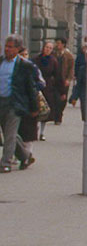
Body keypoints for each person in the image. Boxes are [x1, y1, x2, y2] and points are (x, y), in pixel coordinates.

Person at [1, 35, 40, 172]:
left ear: (17, 49)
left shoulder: (25, 65)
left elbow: (31, 87)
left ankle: (6, 162)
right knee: (7, 134)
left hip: (14, 103)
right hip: (1, 102)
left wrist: (34, 107)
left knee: (10, 134)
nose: (7, 49)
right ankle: (25, 156)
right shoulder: (0, 62)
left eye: (10, 47)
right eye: (6, 46)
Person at [33, 41, 64, 140]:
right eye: (47, 47)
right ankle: (35, 130)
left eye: (50, 48)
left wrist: (61, 91)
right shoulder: (36, 59)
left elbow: (58, 76)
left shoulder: (53, 61)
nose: (48, 49)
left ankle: (42, 133)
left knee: (44, 111)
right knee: (35, 109)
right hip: (36, 86)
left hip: (48, 87)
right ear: (43, 48)